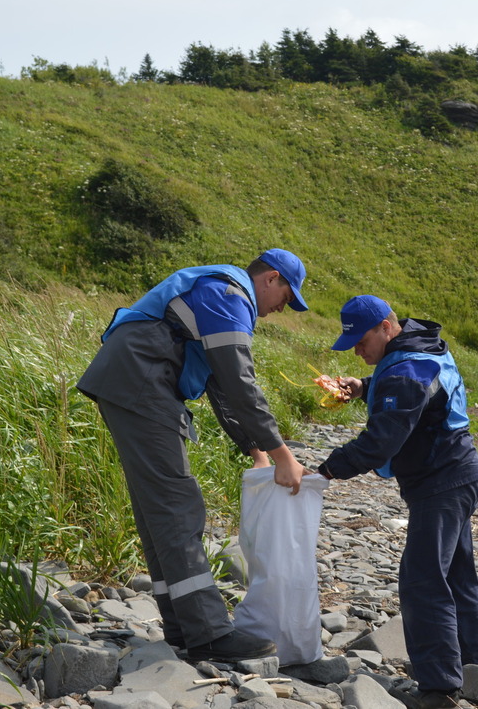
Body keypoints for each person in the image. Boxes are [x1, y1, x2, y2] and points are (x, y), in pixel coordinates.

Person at [77, 249, 309, 663]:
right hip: (142, 385)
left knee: (159, 511)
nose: (281, 309)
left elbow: (219, 384)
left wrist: (256, 450)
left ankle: (183, 628)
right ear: (271, 278)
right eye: (287, 298)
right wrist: (282, 455)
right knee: (178, 506)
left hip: (132, 383)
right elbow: (240, 383)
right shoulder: (229, 295)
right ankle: (208, 633)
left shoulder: (218, 290)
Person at [316, 295, 478, 709]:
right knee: (457, 579)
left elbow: (380, 443)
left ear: (385, 327)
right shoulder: (419, 348)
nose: (359, 353)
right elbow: (418, 397)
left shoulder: (406, 371)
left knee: (422, 582)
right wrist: (365, 388)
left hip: (442, 484)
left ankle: (439, 688)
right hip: (459, 476)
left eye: (361, 343)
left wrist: (326, 470)